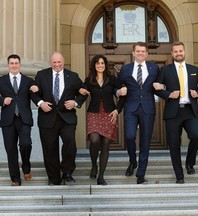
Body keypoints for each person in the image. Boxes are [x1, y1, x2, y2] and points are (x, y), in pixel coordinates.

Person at [154, 41, 198, 184]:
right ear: (172, 54)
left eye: (181, 51)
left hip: (190, 110)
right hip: (173, 112)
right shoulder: (165, 70)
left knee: (196, 136)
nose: (179, 53)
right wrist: (168, 95)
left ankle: (190, 163)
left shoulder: (194, 69)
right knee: (174, 144)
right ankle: (179, 176)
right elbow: (156, 88)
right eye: (176, 51)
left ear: (184, 52)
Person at [34, 52, 87, 185]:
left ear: (63, 61)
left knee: (70, 143)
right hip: (47, 117)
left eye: (59, 62)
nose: (57, 65)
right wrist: (41, 103)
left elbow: (84, 91)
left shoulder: (73, 76)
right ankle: (54, 178)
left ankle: (67, 172)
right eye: (54, 62)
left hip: (67, 118)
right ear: (50, 62)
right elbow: (33, 93)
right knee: (49, 148)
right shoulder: (41, 75)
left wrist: (75, 102)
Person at [117, 42, 160, 184]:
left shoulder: (154, 68)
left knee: (145, 141)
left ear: (147, 54)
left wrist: (163, 86)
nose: (141, 53)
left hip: (148, 108)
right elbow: (116, 86)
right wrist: (118, 91)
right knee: (129, 136)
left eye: (143, 51)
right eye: (138, 51)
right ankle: (132, 161)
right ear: (133, 53)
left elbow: (162, 84)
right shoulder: (125, 69)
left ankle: (141, 173)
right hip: (131, 107)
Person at [81, 55, 125, 185]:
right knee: (94, 140)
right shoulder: (89, 80)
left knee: (105, 143)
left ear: (105, 65)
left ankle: (101, 176)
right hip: (93, 113)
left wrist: (117, 110)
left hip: (109, 113)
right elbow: (82, 93)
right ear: (94, 65)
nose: (100, 65)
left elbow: (123, 95)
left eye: (102, 63)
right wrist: (80, 92)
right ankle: (94, 164)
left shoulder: (112, 79)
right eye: (97, 63)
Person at [0, 54, 38, 186]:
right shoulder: (2, 80)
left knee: (25, 144)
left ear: (20, 65)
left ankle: (26, 166)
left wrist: (36, 88)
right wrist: (2, 100)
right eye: (12, 63)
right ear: (8, 65)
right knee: (11, 149)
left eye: (16, 63)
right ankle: (15, 178)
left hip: (24, 119)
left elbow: (36, 90)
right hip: (7, 120)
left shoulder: (28, 81)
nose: (14, 65)